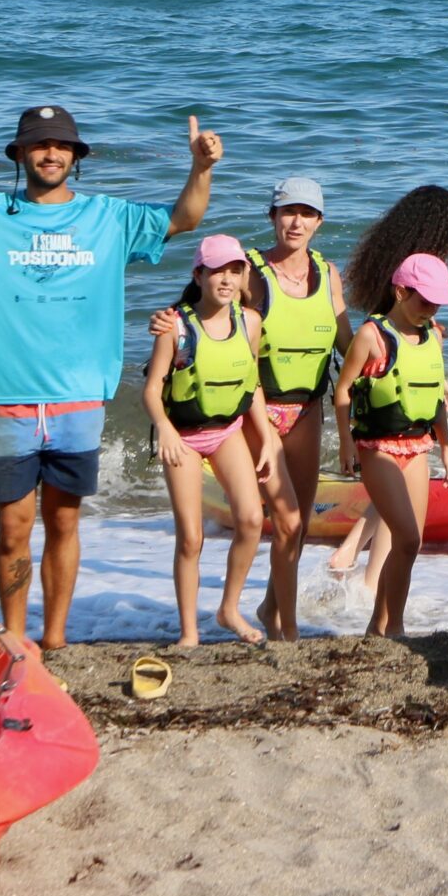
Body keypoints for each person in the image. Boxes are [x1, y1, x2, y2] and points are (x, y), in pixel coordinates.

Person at [0, 90, 220, 648]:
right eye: (38, 145)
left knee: (63, 523)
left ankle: (54, 639)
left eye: (60, 146)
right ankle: (12, 636)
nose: (49, 154)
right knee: (12, 530)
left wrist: (200, 168)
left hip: (79, 400)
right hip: (6, 400)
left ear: (75, 156)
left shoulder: (108, 217)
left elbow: (184, 218)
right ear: (19, 156)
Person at [143, 235, 277, 647]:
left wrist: (268, 436)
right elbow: (152, 389)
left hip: (227, 433)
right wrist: (164, 429)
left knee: (253, 520)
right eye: (217, 270)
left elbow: (251, 383)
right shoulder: (176, 326)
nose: (226, 279)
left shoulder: (250, 322)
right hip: (182, 437)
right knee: (191, 537)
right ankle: (188, 632)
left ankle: (228, 609)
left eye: (234, 271)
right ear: (198, 274)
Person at [327, 186, 448, 586]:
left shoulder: (387, 255)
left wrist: (434, 378)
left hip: (388, 364)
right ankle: (369, 580)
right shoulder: (420, 266)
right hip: (389, 369)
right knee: (399, 500)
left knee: (398, 490)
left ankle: (350, 553)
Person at [239, 177, 350, 642]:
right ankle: (287, 630)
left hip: (306, 409)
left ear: (319, 222)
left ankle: (270, 607)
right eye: (287, 212)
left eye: (306, 213)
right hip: (257, 409)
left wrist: (403, 343)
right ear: (272, 217)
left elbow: (348, 339)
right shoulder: (249, 270)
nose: (296, 221)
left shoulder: (328, 273)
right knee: (282, 521)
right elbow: (207, 314)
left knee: (297, 525)